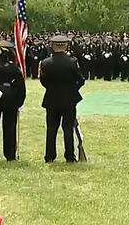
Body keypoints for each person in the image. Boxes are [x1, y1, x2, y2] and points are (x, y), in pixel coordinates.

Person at [39, 35, 86, 163]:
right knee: (68, 128)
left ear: (52, 47)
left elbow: (43, 81)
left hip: (51, 99)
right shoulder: (72, 62)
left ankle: (49, 156)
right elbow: (81, 80)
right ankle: (69, 156)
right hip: (69, 100)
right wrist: (72, 90)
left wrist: (52, 89)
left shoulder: (45, 63)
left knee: (51, 129)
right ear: (65, 46)